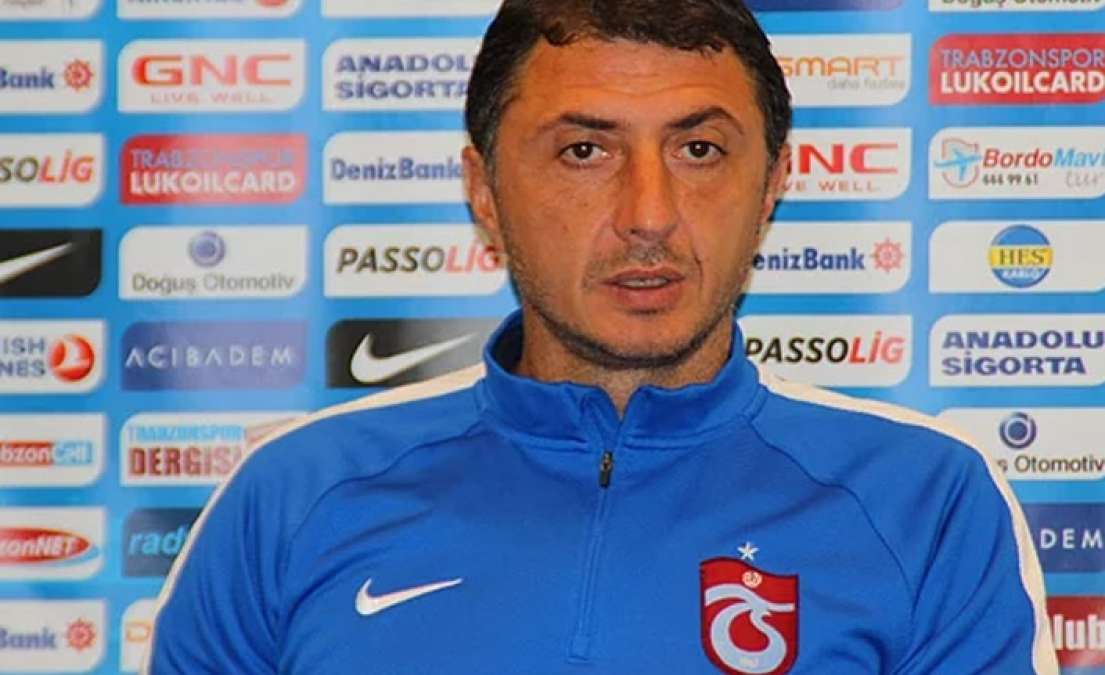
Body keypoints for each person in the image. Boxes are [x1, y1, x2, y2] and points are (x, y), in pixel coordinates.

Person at [144, 1, 1057, 673]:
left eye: (698, 150)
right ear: (483, 189)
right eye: (585, 150)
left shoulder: (924, 501)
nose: (647, 214)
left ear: (772, 184)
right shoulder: (293, 497)